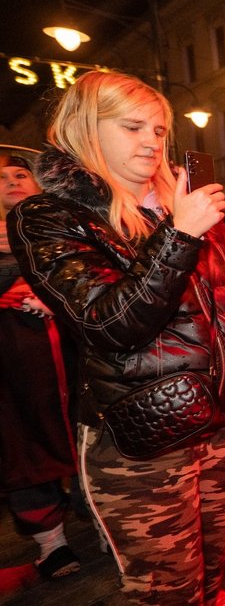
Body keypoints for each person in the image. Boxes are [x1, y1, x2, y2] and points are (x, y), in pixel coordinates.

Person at [7, 71, 225, 604]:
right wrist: (179, 234)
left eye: (158, 129)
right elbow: (107, 323)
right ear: (85, 128)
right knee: (166, 591)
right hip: (142, 439)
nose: (151, 141)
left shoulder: (181, 202)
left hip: (224, 422)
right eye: (132, 127)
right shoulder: (51, 215)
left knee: (213, 573)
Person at [0, 155, 80, 580]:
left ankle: (108, 525)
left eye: (20, 174)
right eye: (2, 178)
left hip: (74, 362)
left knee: (90, 439)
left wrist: (55, 291)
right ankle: (52, 544)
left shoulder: (68, 232)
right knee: (26, 449)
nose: (13, 182)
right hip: (15, 372)